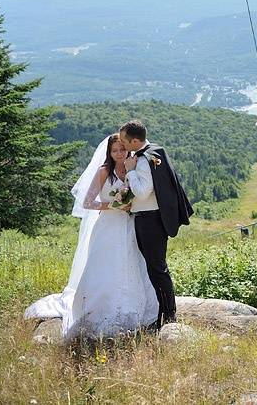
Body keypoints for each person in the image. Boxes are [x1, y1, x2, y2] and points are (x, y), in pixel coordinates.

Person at [24, 134, 158, 339]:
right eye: (115, 150)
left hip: (129, 225)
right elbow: (87, 203)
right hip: (108, 226)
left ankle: (133, 308)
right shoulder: (104, 171)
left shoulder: (134, 167)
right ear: (109, 153)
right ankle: (102, 309)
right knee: (107, 267)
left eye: (122, 149)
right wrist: (114, 205)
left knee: (132, 264)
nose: (119, 153)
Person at [119, 120, 193, 328]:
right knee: (155, 269)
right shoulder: (153, 152)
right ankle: (163, 313)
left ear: (135, 140)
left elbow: (142, 192)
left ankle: (168, 316)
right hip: (150, 218)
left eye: (124, 141)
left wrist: (131, 171)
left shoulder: (142, 161)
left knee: (157, 269)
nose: (122, 144)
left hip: (150, 221)